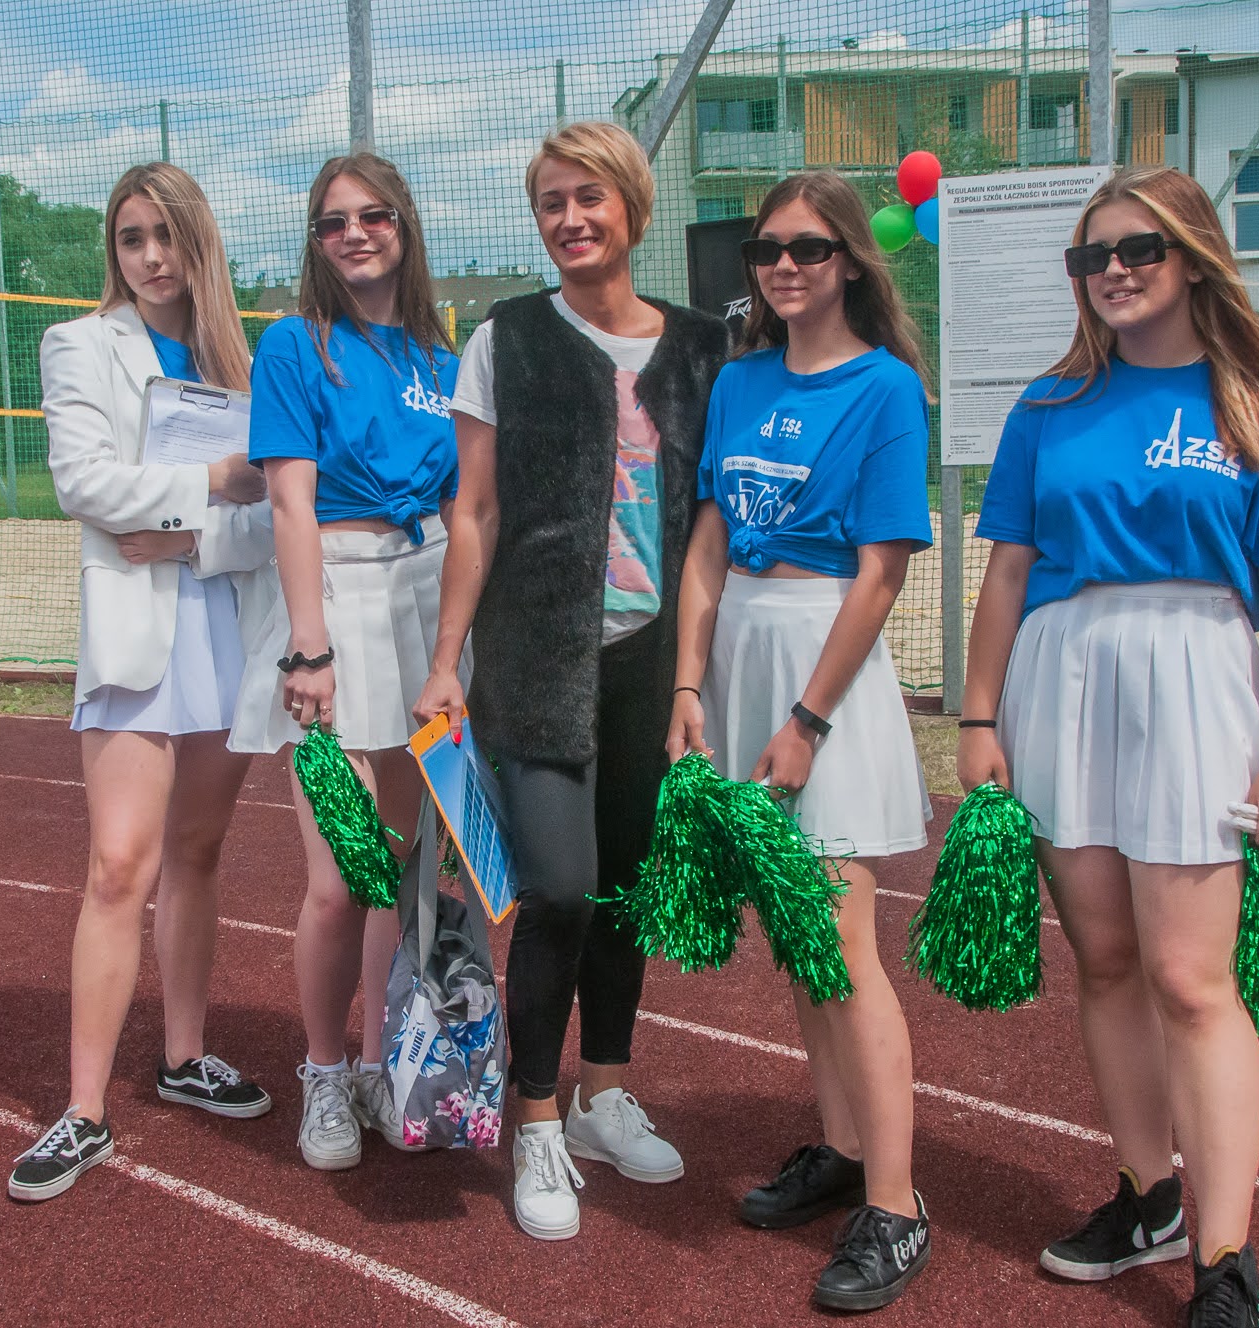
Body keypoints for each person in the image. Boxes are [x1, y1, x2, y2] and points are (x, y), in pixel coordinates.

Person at [960, 165, 1259, 1328]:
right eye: (1091, 257)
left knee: (1190, 977)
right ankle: (1145, 1194)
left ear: (1191, 259)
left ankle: (1223, 1260)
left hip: (1194, 681)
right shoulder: (1047, 405)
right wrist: (976, 717)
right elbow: (1007, 572)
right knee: (1108, 961)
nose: (1112, 272)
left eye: (1137, 249)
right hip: (1061, 677)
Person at [414, 121, 729, 1241]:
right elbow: (475, 509)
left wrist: (691, 673)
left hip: (650, 663)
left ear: (631, 205)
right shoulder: (504, 337)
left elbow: (705, 527)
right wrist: (443, 662)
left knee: (626, 889)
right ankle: (534, 1116)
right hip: (532, 656)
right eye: (549, 201)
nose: (569, 218)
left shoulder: (702, 348)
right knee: (555, 886)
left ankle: (602, 1090)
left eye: (587, 196)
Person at [665, 170, 935, 1313]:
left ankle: (897, 1201)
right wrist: (686, 681)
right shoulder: (737, 382)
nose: (783, 266)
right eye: (767, 249)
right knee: (793, 933)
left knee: (841, 933)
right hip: (738, 665)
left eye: (808, 249)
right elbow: (708, 546)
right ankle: (834, 1146)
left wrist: (807, 720)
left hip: (823, 668)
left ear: (849, 264)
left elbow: (881, 573)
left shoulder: (883, 390)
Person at [10, 162, 277, 1203]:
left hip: (219, 624)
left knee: (199, 850)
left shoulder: (238, 360)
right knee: (119, 865)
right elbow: (84, 482)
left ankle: (182, 1054)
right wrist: (210, 485)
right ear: (112, 251)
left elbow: (267, 521)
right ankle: (83, 1108)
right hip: (134, 640)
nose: (151, 257)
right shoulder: (80, 343)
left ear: (196, 241)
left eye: (166, 235)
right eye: (131, 238)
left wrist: (183, 535)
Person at [236, 153, 459, 1171]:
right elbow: (288, 499)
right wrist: (308, 645)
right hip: (336, 595)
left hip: (424, 598)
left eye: (373, 216)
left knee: (405, 873)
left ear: (403, 227)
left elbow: (465, 501)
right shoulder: (292, 345)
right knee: (338, 877)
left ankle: (377, 1057)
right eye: (332, 223)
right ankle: (321, 1069)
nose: (354, 234)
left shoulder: (434, 352)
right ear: (315, 242)